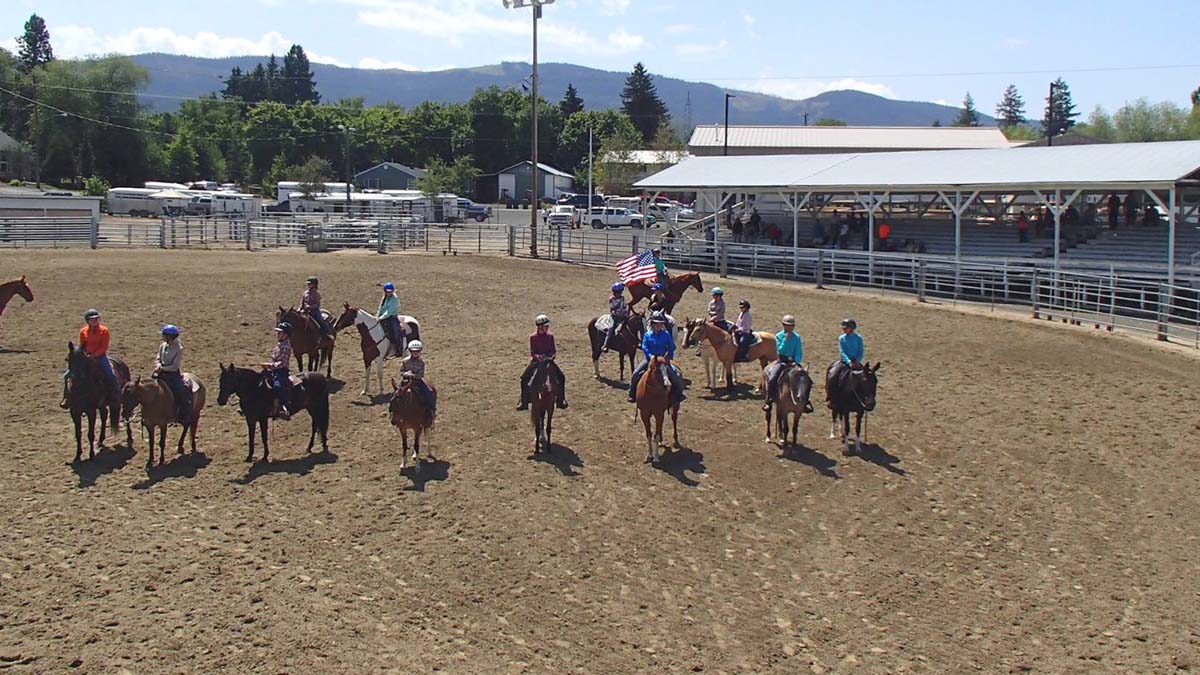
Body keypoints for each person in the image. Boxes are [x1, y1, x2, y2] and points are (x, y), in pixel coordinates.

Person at [62, 308, 120, 408]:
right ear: (87, 321)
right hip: (86, 357)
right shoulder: (83, 331)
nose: (94, 321)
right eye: (92, 319)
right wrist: (84, 355)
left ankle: (116, 394)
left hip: (100, 357)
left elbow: (104, 346)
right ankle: (67, 397)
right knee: (67, 375)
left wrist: (94, 355)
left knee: (110, 374)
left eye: (96, 319)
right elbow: (82, 345)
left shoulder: (104, 331)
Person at [628, 312, 685, 404]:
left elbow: (672, 347)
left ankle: (679, 394)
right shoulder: (647, 334)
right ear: (653, 324)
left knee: (675, 376)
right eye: (656, 323)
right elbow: (644, 347)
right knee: (635, 374)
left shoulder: (666, 334)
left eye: (660, 324)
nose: (659, 325)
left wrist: (668, 357)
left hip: (662, 359)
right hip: (649, 359)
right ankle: (632, 394)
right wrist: (650, 357)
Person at [516, 314, 567, 411]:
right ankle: (523, 401)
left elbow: (553, 350)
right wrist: (538, 357)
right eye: (545, 326)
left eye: (547, 326)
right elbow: (533, 352)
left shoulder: (550, 336)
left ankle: (561, 399)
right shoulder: (533, 337)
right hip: (537, 362)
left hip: (548, 361)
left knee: (561, 377)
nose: (547, 328)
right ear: (540, 327)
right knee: (524, 378)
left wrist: (551, 357)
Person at [762, 315, 811, 414]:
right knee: (772, 378)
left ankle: (805, 402)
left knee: (806, 380)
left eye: (791, 326)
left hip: (793, 362)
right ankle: (769, 401)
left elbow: (798, 351)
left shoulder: (797, 337)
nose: (789, 328)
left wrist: (796, 361)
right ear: (783, 325)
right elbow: (780, 349)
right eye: (787, 325)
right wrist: (785, 339)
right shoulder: (779, 336)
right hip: (782, 361)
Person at [154, 324, 192, 423]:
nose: (162, 337)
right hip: (161, 373)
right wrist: (158, 365)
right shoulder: (162, 346)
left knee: (180, 391)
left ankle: (183, 413)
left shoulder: (179, 349)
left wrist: (161, 368)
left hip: (172, 375)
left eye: (164, 335)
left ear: (170, 336)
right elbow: (158, 357)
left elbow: (174, 366)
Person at [827, 318, 865, 400]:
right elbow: (842, 351)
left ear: (851, 328)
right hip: (845, 362)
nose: (843, 329)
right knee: (832, 376)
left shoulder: (858, 338)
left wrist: (857, 361)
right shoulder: (841, 338)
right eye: (843, 328)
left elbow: (861, 351)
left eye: (845, 328)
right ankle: (830, 396)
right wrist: (848, 362)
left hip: (856, 362)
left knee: (867, 378)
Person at [263, 322, 294, 420]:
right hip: (273, 370)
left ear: (286, 334)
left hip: (281, 371)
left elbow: (283, 363)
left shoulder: (286, 347)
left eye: (280, 333)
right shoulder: (279, 344)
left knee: (278, 386)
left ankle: (285, 408)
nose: (278, 334)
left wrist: (270, 365)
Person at [399, 340, 437, 420]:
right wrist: (406, 374)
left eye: (418, 351)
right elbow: (401, 372)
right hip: (405, 382)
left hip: (417, 382)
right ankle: (393, 411)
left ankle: (432, 411)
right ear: (410, 351)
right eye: (414, 351)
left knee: (429, 393)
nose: (416, 353)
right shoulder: (405, 361)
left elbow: (421, 375)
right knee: (396, 394)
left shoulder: (421, 362)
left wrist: (413, 375)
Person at [602, 282, 630, 353]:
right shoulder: (611, 299)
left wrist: (625, 312)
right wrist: (619, 314)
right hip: (614, 317)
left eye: (620, 292)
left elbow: (624, 306)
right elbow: (613, 309)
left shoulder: (622, 298)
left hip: (623, 316)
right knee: (610, 329)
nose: (620, 294)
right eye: (619, 292)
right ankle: (606, 345)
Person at [377, 282, 403, 358]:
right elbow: (381, 308)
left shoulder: (394, 299)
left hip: (392, 317)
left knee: (395, 332)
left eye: (390, 291)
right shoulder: (384, 297)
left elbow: (389, 312)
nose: (389, 293)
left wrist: (380, 318)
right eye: (387, 291)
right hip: (383, 317)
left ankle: (398, 349)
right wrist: (377, 316)